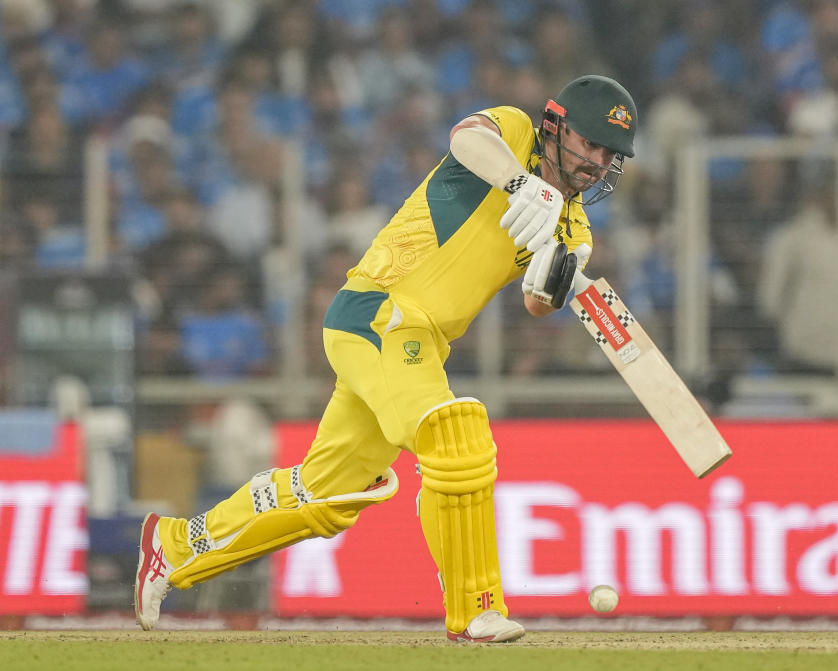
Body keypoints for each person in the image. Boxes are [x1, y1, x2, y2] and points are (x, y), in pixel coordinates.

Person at [135, 74, 638, 642]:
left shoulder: (576, 225)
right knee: (455, 433)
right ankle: (476, 609)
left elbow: (535, 301)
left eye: (608, 154)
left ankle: (173, 546)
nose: (597, 162)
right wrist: (522, 185)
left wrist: (561, 271)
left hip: (416, 344)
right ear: (555, 127)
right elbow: (464, 136)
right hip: (378, 313)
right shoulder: (512, 133)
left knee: (326, 493)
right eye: (590, 144)